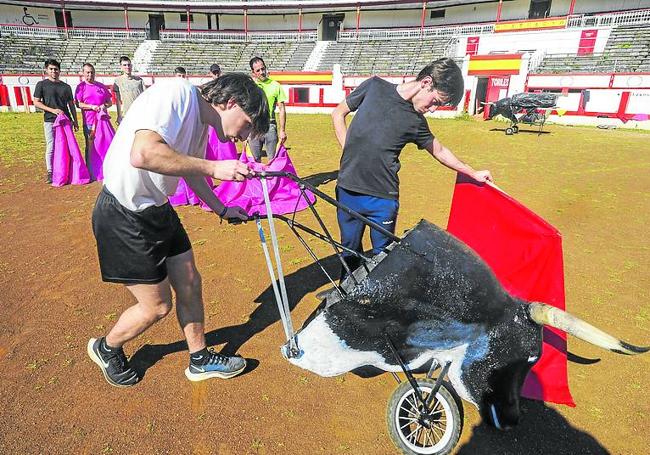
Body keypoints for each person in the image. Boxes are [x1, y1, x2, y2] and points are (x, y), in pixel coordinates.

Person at [87, 73, 269, 387]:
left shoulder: (201, 121)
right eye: (249, 123)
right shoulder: (176, 94)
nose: (247, 135)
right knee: (156, 307)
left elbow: (188, 168)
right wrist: (215, 167)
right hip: (124, 214)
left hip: (157, 209)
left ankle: (200, 359)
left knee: (189, 282)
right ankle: (107, 347)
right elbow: (143, 154)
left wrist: (222, 208)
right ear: (232, 103)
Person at [331, 58, 493, 279]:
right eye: (435, 101)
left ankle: (377, 306)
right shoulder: (373, 86)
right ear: (426, 82)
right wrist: (347, 150)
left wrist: (472, 172)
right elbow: (338, 113)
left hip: (382, 200)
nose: (433, 110)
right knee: (349, 251)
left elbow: (440, 150)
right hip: (347, 190)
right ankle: (344, 297)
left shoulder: (416, 121)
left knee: (383, 260)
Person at [33, 58, 78, 183]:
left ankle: (67, 170)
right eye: (51, 69)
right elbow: (36, 102)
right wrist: (53, 110)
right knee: (51, 146)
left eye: (56, 69)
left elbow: (71, 105)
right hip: (50, 120)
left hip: (65, 120)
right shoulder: (41, 85)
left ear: (59, 71)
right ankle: (50, 171)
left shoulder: (66, 87)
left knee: (67, 146)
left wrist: (75, 120)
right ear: (46, 70)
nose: (54, 71)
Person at [248, 57, 287, 162]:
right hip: (253, 127)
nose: (262, 72)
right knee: (254, 161)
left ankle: (273, 179)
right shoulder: (249, 87)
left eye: (263, 68)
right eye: (258, 70)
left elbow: (282, 109)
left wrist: (282, 130)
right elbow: (243, 109)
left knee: (273, 160)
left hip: (270, 126)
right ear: (253, 73)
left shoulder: (275, 86)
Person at [74, 63, 112, 165]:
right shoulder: (81, 87)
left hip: (102, 121)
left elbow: (110, 102)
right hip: (89, 122)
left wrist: (104, 106)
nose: (90, 75)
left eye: (92, 72)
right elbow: (78, 104)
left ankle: (103, 166)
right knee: (90, 145)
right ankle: (90, 169)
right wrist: (91, 107)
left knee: (104, 144)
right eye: (87, 72)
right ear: (83, 73)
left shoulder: (101, 86)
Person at [113, 56, 144, 125]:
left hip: (140, 114)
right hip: (126, 115)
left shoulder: (139, 80)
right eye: (125, 65)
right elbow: (118, 101)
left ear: (131, 66)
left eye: (129, 65)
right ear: (121, 67)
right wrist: (119, 116)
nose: (127, 67)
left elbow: (145, 99)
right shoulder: (118, 81)